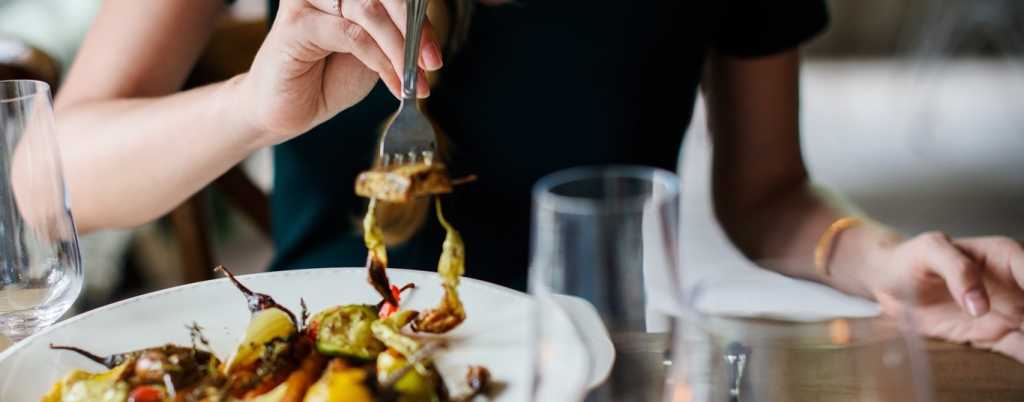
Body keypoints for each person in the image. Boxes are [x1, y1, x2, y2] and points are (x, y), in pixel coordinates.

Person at [53, 0, 1023, 361]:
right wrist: (254, 108)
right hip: (318, 374)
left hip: (602, 378)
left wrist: (880, 261)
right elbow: (45, 177)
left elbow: (768, 195)